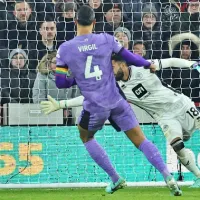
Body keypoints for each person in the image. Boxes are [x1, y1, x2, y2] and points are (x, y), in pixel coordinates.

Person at [40, 5, 182, 195]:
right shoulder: (106, 39)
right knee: (140, 139)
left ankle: (115, 178)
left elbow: (60, 83)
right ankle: (168, 176)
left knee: (86, 136)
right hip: (117, 101)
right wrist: (148, 64)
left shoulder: (65, 49)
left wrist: (78, 77)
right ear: (94, 22)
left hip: (94, 106)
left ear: (75, 22)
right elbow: (129, 57)